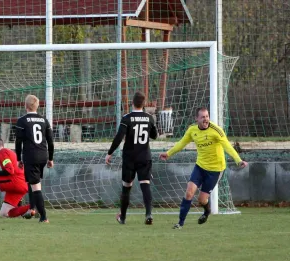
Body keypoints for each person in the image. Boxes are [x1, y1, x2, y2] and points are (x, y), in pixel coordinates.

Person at [159, 107, 248, 229]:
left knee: (202, 200)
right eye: (203, 117)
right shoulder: (192, 130)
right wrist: (168, 153)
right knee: (189, 192)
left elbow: (227, 146)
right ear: (196, 119)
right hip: (200, 167)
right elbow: (181, 143)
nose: (206, 119)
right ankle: (180, 223)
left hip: (216, 169)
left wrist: (238, 160)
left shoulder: (216, 130)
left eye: (207, 116)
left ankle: (206, 212)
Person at [106, 92, 158, 225]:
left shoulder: (127, 118)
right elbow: (155, 135)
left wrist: (110, 153)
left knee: (126, 186)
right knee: (145, 184)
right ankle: (148, 214)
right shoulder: (149, 118)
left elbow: (119, 137)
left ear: (132, 103)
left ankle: (122, 217)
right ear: (144, 104)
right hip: (145, 156)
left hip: (130, 158)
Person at [15, 95, 54, 224]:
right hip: (43, 156)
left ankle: (43, 217)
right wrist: (51, 158)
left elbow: (18, 142)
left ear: (25, 106)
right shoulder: (44, 120)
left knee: (36, 186)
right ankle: (32, 209)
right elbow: (50, 142)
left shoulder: (22, 121)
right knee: (34, 183)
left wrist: (18, 158)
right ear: (37, 106)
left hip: (31, 156)